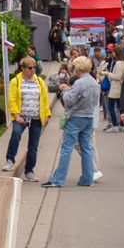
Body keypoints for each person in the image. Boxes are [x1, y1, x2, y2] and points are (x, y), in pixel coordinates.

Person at [44, 54, 101, 187]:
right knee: (86, 148)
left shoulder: (79, 83)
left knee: (66, 148)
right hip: (88, 117)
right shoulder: (94, 82)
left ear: (78, 68)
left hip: (76, 118)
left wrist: (64, 91)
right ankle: (88, 178)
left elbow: (69, 101)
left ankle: (58, 180)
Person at [4, 55, 49, 180]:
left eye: (34, 67)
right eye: (29, 68)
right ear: (22, 68)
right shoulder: (16, 82)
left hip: (35, 118)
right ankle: (10, 160)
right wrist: (16, 115)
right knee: (16, 134)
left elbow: (44, 99)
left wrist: (46, 114)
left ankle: (29, 170)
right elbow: (11, 99)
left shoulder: (39, 81)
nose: (32, 70)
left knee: (33, 145)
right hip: (21, 116)